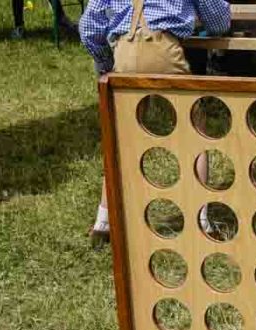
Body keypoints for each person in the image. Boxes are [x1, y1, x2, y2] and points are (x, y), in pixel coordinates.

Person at [80, 0, 230, 245]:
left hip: (124, 53)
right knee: (194, 135)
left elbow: (88, 27)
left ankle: (104, 221)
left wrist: (106, 65)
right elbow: (219, 22)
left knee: (119, 139)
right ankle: (200, 219)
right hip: (165, 48)